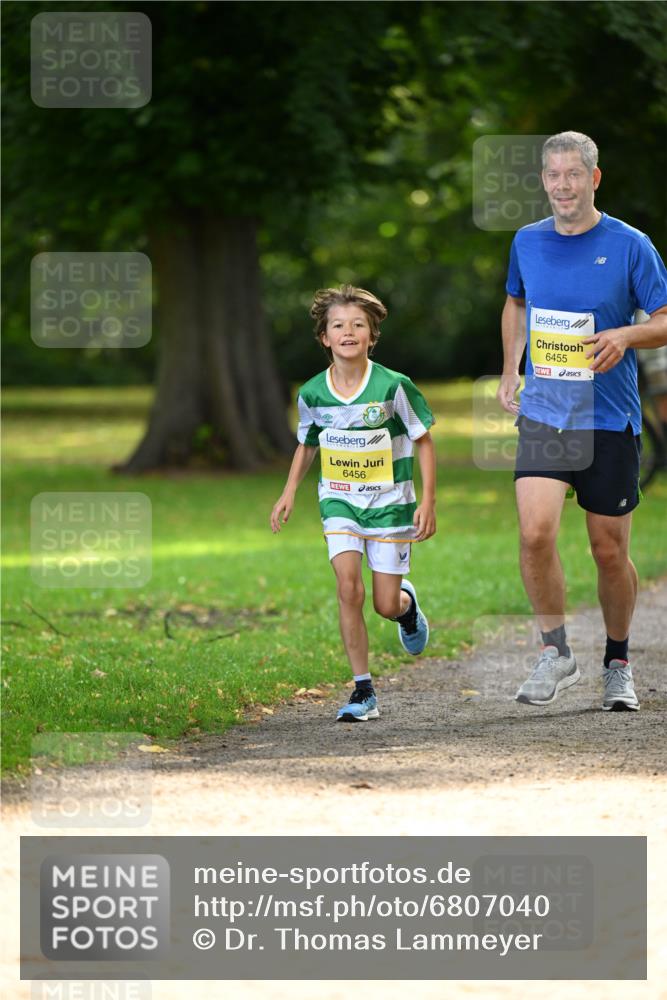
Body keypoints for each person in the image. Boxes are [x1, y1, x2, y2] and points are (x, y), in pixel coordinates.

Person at [497, 130, 667, 711]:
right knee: (534, 532)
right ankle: (554, 651)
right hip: (546, 413)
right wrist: (509, 368)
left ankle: (617, 661)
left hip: (609, 419)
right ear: (542, 180)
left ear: (594, 178)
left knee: (608, 550)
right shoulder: (526, 241)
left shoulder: (630, 245)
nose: (562, 186)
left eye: (574, 175)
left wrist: (625, 334)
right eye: (553, 175)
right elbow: (516, 301)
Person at [270, 285, 436, 722]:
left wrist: (429, 501)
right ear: (324, 337)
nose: (348, 332)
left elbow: (423, 439)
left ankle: (406, 607)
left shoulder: (393, 386)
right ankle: (363, 690)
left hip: (391, 504)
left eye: (357, 325)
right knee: (348, 587)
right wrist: (289, 491)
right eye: (338, 325)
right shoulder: (312, 393)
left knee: (383, 603)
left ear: (371, 335)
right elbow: (308, 443)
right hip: (339, 502)